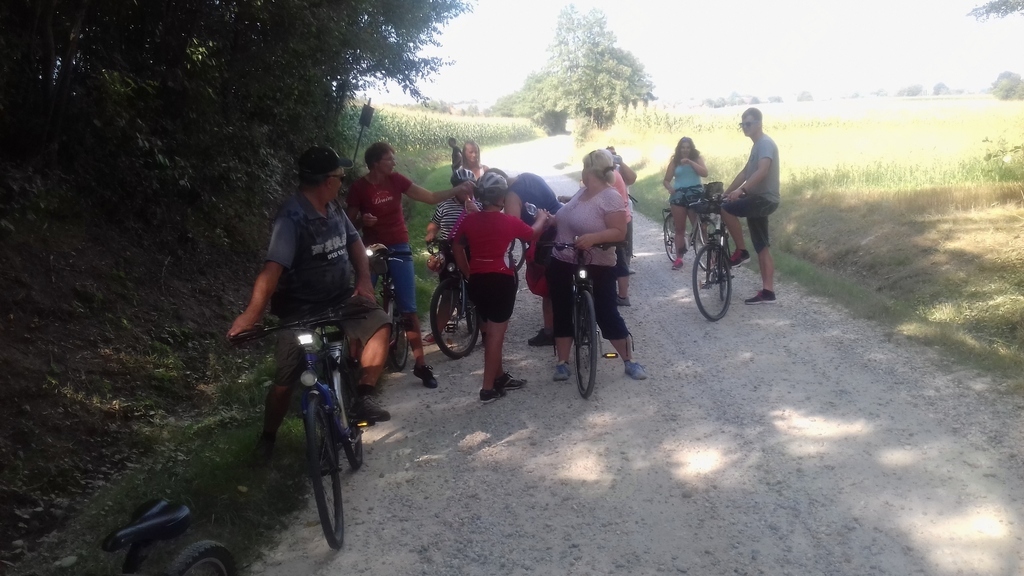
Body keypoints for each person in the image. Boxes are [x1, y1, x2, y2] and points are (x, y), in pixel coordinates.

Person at [227, 146, 393, 463]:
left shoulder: (334, 208)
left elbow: (355, 243)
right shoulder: (292, 217)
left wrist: (363, 281)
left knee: (380, 325)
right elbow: (272, 270)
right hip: (299, 311)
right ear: (327, 181)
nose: (343, 182)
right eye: (340, 176)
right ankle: (268, 438)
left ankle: (363, 396)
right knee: (284, 382)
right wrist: (250, 316)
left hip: (340, 299)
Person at [346, 142, 475, 387]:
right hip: (371, 248)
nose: (394, 162)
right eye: (389, 159)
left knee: (408, 307)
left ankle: (421, 365)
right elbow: (348, 224)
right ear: (375, 163)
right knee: (362, 300)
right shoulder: (359, 188)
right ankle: (353, 356)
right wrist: (363, 221)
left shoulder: (396, 180)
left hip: (398, 245)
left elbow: (430, 197)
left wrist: (457, 189)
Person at [546, 149, 648, 381]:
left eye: (583, 166)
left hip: (597, 261)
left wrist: (593, 238)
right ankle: (562, 362)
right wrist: (552, 220)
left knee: (606, 312)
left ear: (589, 170)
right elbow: (568, 217)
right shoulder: (582, 192)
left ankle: (629, 360)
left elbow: (619, 232)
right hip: (563, 258)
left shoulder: (610, 196)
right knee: (562, 309)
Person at [452, 172, 551, 402]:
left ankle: (499, 378)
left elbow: (457, 246)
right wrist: (542, 218)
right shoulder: (508, 221)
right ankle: (487, 389)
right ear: (501, 198)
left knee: (489, 332)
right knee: (496, 336)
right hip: (501, 280)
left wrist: (467, 272)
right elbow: (533, 233)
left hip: (477, 280)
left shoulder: (469, 220)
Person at [487, 169, 563, 347]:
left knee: (547, 285)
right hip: (562, 221)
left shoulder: (511, 196)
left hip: (546, 235)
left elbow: (512, 227)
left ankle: (550, 331)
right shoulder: (529, 176)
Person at [721, 108, 781, 304]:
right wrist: (727, 192)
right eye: (743, 124)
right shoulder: (757, 146)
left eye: (748, 123)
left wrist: (742, 191)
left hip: (764, 198)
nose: (745, 127)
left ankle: (741, 251)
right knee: (762, 246)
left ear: (759, 124)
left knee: (726, 209)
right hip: (759, 199)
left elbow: (762, 171)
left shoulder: (765, 143)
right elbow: (745, 173)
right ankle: (768, 292)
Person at [662, 137, 710, 270]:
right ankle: (679, 258)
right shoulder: (675, 162)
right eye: (683, 147)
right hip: (679, 195)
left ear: (691, 148)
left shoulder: (697, 158)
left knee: (700, 226)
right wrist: (670, 188)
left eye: (688, 147)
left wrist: (690, 162)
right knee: (680, 229)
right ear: (679, 149)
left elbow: (705, 173)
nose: (685, 150)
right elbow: (666, 180)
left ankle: (709, 256)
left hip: (695, 194)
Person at [605, 146, 637, 307]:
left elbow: (632, 178)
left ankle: (622, 295)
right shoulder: (610, 173)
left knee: (619, 255)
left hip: (618, 219)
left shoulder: (612, 174)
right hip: (621, 217)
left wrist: (621, 162)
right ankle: (621, 294)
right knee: (619, 255)